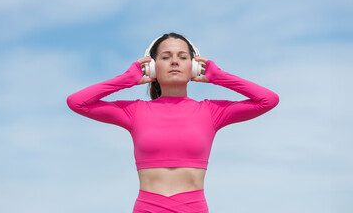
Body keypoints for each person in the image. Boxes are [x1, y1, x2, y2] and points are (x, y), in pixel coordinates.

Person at [66, 32, 280, 212]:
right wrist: (125, 79)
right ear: (151, 67)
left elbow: (268, 100)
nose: (175, 61)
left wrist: (219, 76)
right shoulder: (135, 111)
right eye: (166, 57)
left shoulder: (211, 111)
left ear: (195, 67)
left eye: (182, 57)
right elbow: (77, 102)